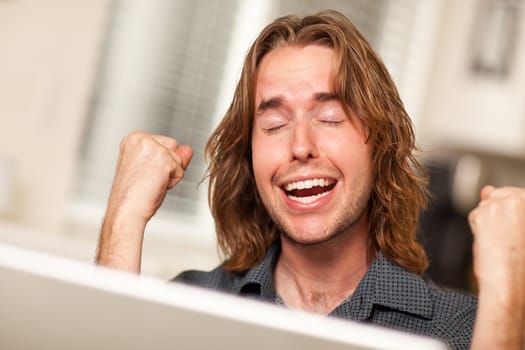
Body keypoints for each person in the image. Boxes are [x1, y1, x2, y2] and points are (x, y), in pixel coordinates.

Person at [96, 10, 525, 350]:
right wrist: (123, 221)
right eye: (275, 123)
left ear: (379, 144)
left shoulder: (465, 330)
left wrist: (506, 292)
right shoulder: (189, 305)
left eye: (329, 116)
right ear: (248, 156)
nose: (301, 146)